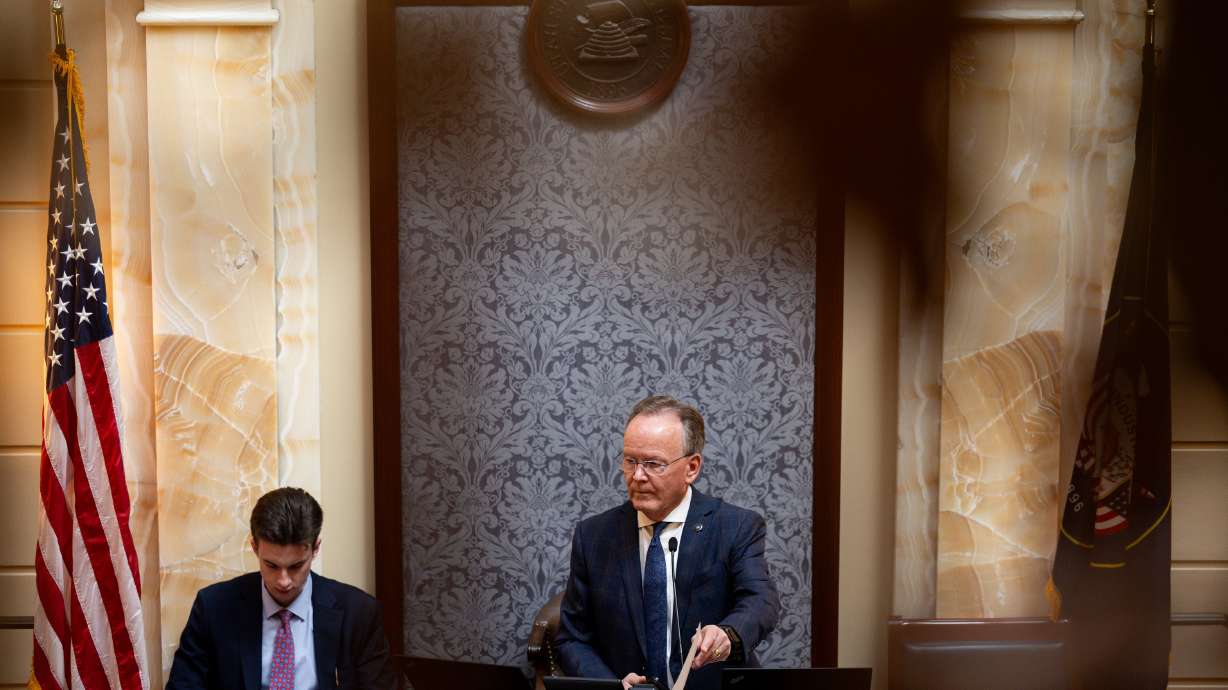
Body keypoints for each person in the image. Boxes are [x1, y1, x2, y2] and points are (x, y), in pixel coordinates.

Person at [555, 396, 781, 690]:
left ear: (692, 467)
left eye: (653, 464)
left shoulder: (735, 527)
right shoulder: (594, 536)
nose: (637, 476)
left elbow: (761, 601)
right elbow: (572, 638)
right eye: (630, 461)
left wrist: (728, 634)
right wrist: (613, 685)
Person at [167, 487, 396, 689]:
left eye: (296, 566)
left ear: (315, 548)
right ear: (254, 547)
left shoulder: (358, 613)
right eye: (272, 566)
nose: (284, 581)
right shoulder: (214, 607)